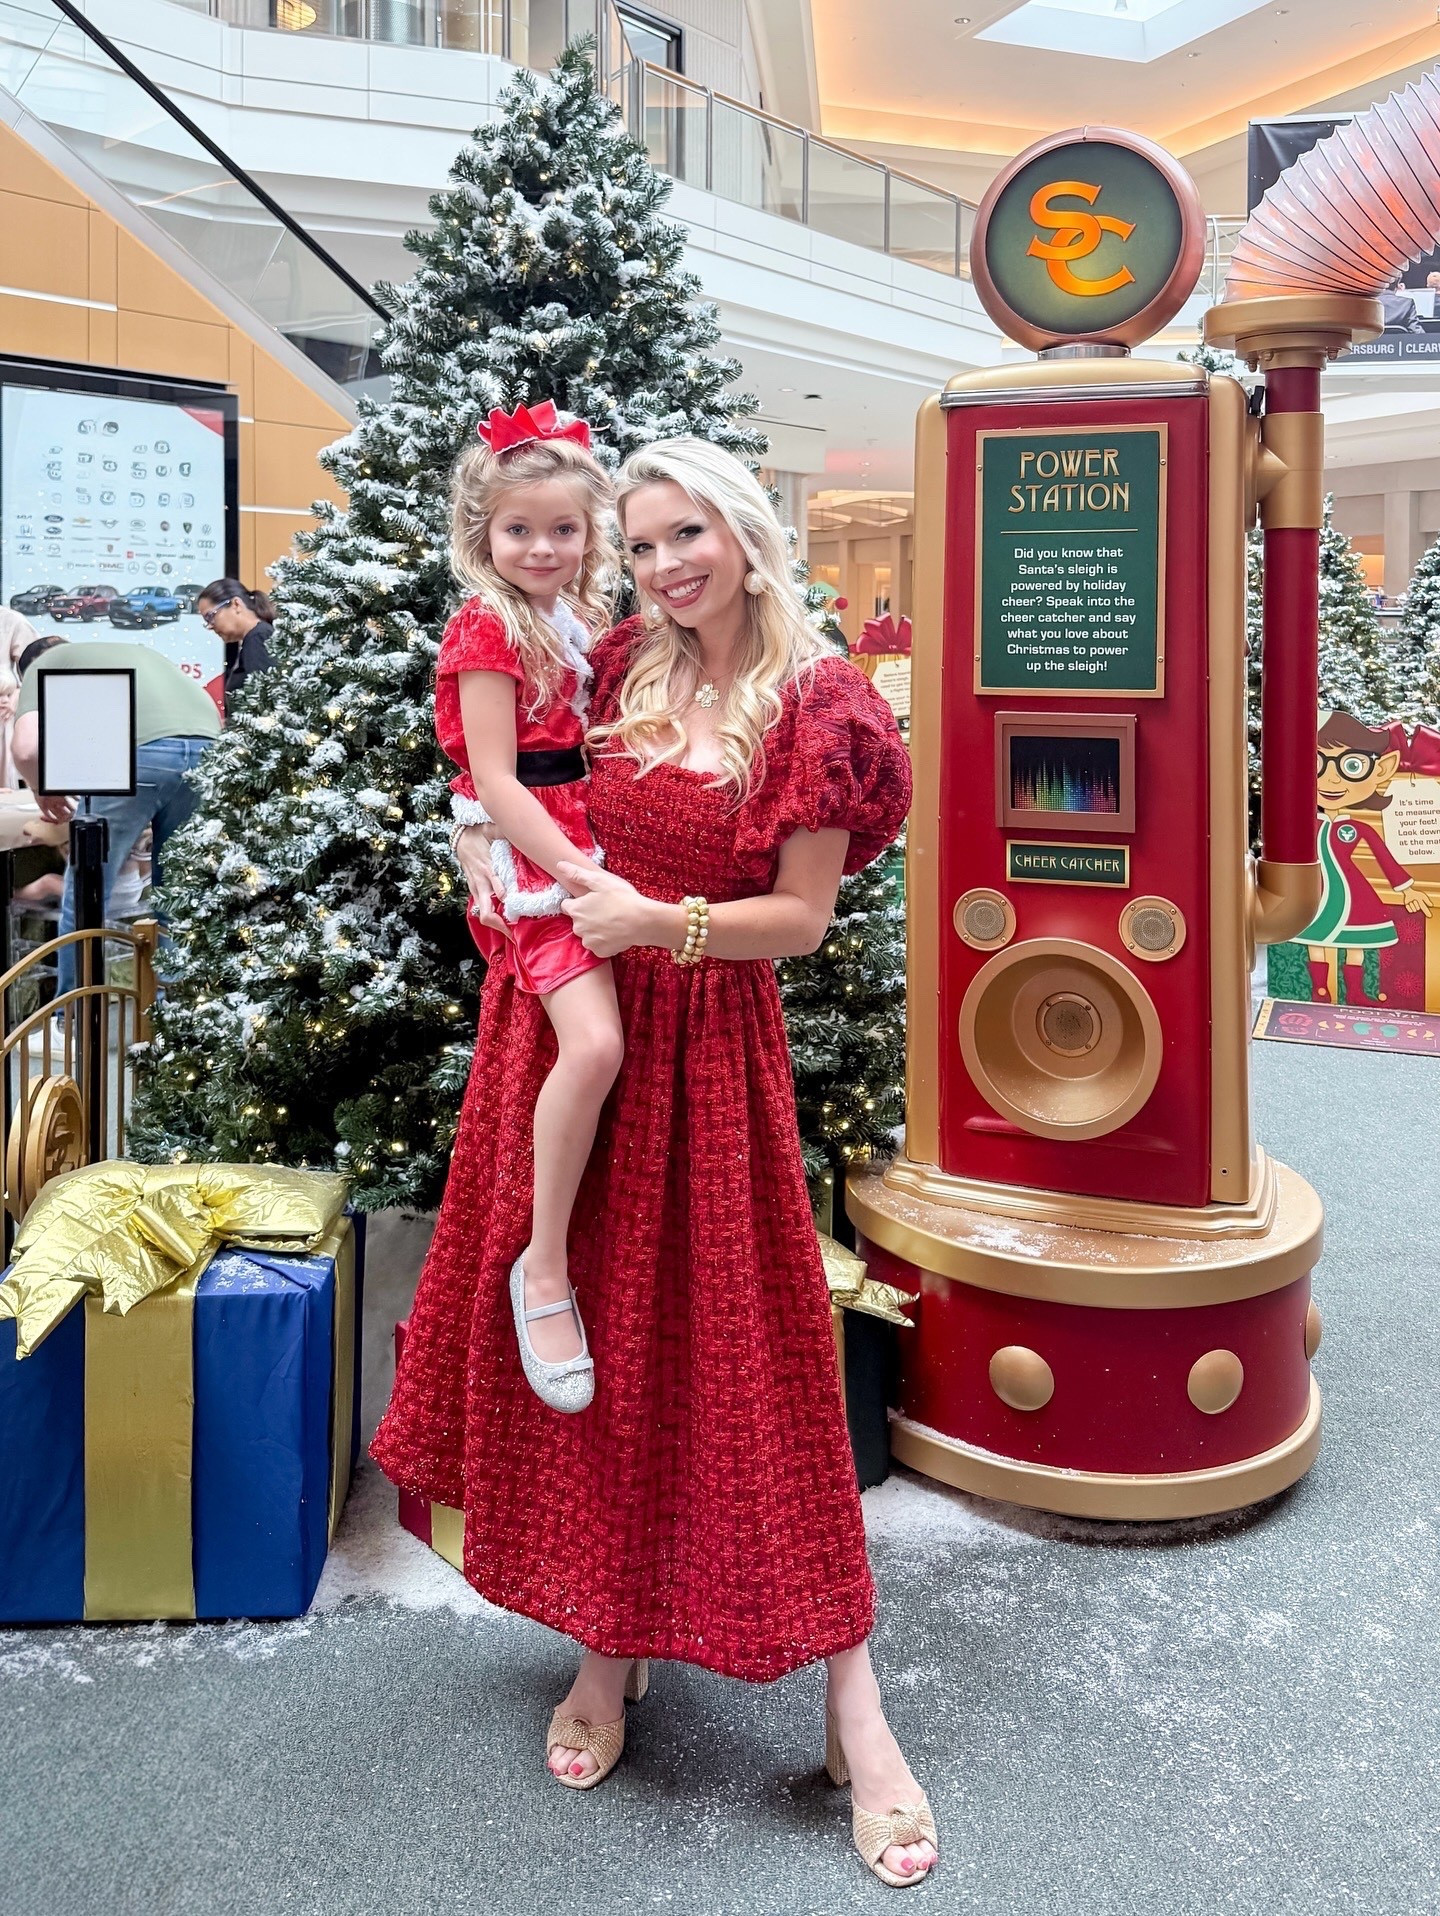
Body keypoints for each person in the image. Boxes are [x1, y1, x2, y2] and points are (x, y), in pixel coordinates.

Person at [372, 439, 936, 1887]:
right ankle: (607, 1645)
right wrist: (513, 883)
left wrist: (661, 925)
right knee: (610, 1354)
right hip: (576, 1036)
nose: (663, 565)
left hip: (708, 1057)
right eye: (639, 544)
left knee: (757, 1370)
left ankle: (856, 1706)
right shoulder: (617, 662)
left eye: (686, 534)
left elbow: (801, 920)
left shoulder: (817, 702)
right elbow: (508, 789)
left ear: (743, 532)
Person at [440, 400, 622, 1412]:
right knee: (592, 1046)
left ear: (590, 533)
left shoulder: (577, 622)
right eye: (520, 529)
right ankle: (542, 1263)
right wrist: (575, 870)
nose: (542, 547)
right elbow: (498, 777)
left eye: (562, 528)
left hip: (592, 832)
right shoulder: (486, 625)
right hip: (537, 852)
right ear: (485, 532)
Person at [10, 636, 220, 998]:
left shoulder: (41, 667)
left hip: (139, 756)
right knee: (174, 894)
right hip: (207, 749)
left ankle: (71, 1014)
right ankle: (170, 1011)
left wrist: (42, 788)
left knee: (87, 895)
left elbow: (27, 748)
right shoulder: (125, 654)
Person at [196, 579, 275, 704]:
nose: (210, 626)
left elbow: (267, 699)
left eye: (210, 616)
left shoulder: (258, 638)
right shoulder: (256, 637)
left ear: (236, 604)